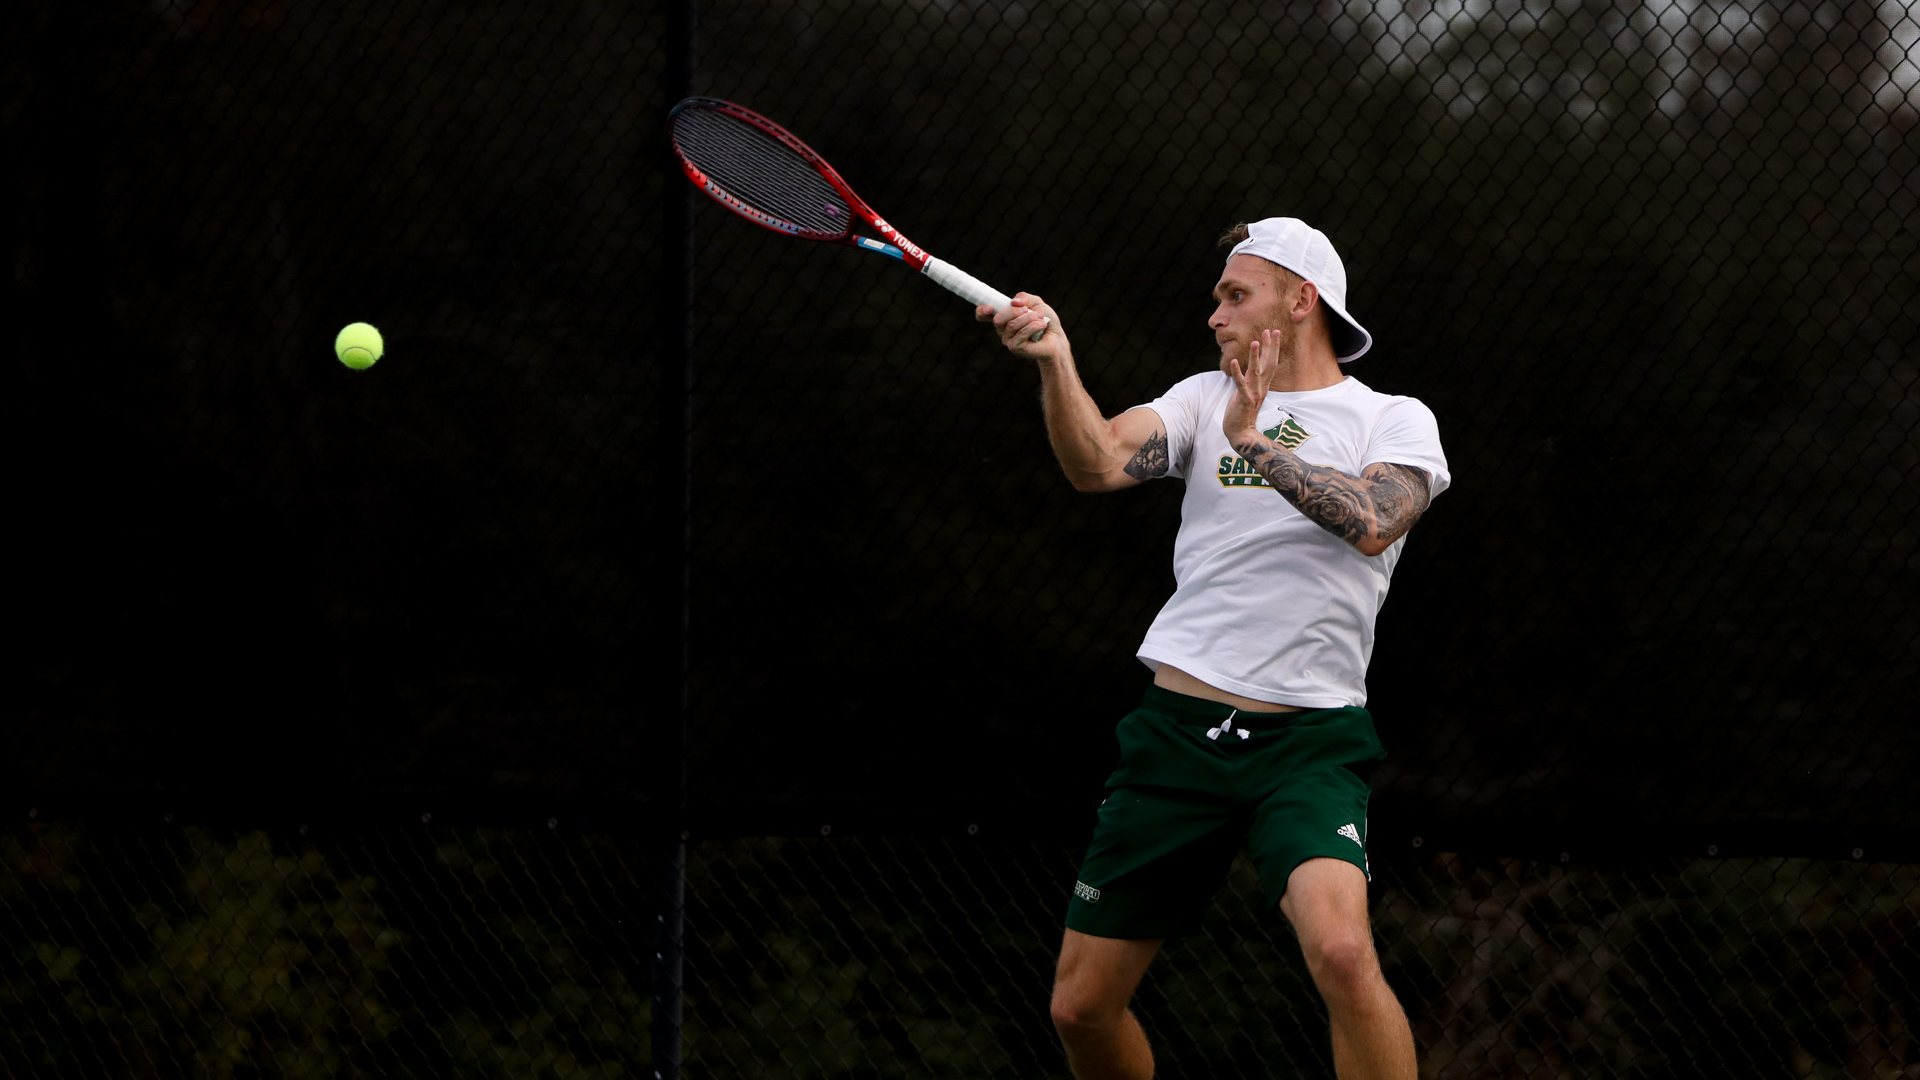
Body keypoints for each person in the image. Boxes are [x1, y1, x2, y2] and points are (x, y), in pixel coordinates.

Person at [977, 217, 1448, 1080]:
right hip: (1178, 736)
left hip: (1307, 745)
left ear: (1300, 301)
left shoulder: (1393, 419)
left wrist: (1254, 439)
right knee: (1080, 1007)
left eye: (1236, 295)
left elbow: (1375, 521)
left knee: (1344, 955)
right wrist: (1056, 362)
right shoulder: (1199, 398)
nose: (1215, 315)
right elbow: (1096, 462)